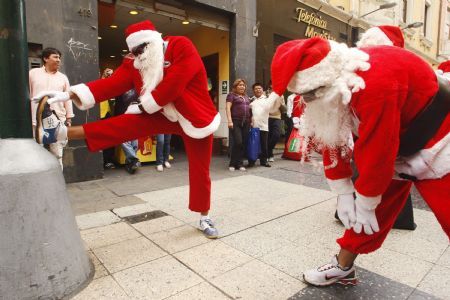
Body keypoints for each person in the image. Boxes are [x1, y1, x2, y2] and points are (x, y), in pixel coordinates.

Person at [267, 37, 449, 286]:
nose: (308, 102)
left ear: (325, 82)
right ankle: (343, 267)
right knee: (364, 216)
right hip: (401, 142)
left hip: (439, 138)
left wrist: (365, 201)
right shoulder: (333, 82)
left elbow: (378, 149)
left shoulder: (372, 84)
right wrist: (343, 191)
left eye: (310, 95)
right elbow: (333, 135)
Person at [32, 20, 220, 239]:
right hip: (161, 112)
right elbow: (109, 85)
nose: (138, 55)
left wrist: (141, 106)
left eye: (141, 49)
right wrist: (68, 95)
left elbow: (175, 84)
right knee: (124, 124)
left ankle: (204, 217)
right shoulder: (134, 63)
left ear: (153, 41)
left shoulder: (181, 45)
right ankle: (61, 133)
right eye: (134, 51)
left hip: (195, 116)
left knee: (200, 170)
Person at [29, 47, 74, 169]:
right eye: (55, 57)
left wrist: (69, 118)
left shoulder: (63, 77)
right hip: (36, 121)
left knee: (57, 154)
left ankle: (58, 181)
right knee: (36, 153)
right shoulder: (33, 73)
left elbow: (67, 98)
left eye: (59, 57)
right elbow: (28, 94)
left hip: (57, 120)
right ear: (45, 58)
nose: (58, 60)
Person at [226, 78, 251, 171]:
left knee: (243, 143)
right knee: (238, 142)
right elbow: (228, 108)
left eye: (243, 85)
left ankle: (240, 164)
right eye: (240, 85)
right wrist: (229, 120)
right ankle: (232, 163)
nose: (242, 87)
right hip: (235, 121)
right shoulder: (231, 95)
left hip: (246, 122)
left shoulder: (246, 97)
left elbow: (250, 109)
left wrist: (251, 120)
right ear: (235, 86)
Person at [114, 88, 141, 175]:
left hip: (134, 116)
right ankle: (134, 159)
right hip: (122, 116)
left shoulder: (136, 87)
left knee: (134, 141)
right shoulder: (120, 88)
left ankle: (130, 163)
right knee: (124, 140)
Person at [248, 82, 273, 167]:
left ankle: (264, 161)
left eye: (259, 88)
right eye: (256, 88)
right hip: (254, 126)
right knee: (253, 144)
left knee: (263, 145)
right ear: (253, 90)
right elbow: (249, 112)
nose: (258, 90)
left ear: (262, 90)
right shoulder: (251, 100)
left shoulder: (267, 99)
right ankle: (252, 161)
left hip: (264, 126)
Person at [100, 68, 117, 170]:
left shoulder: (105, 83)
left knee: (110, 138)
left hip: (107, 113)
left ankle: (108, 160)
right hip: (99, 114)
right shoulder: (97, 83)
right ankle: (105, 160)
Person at [267, 85, 286, 162]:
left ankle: (268, 149)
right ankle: (270, 154)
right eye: (271, 88)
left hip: (277, 117)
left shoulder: (280, 95)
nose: (273, 90)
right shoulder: (265, 95)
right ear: (269, 89)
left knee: (276, 135)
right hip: (267, 117)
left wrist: (281, 102)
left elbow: (284, 108)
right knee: (268, 136)